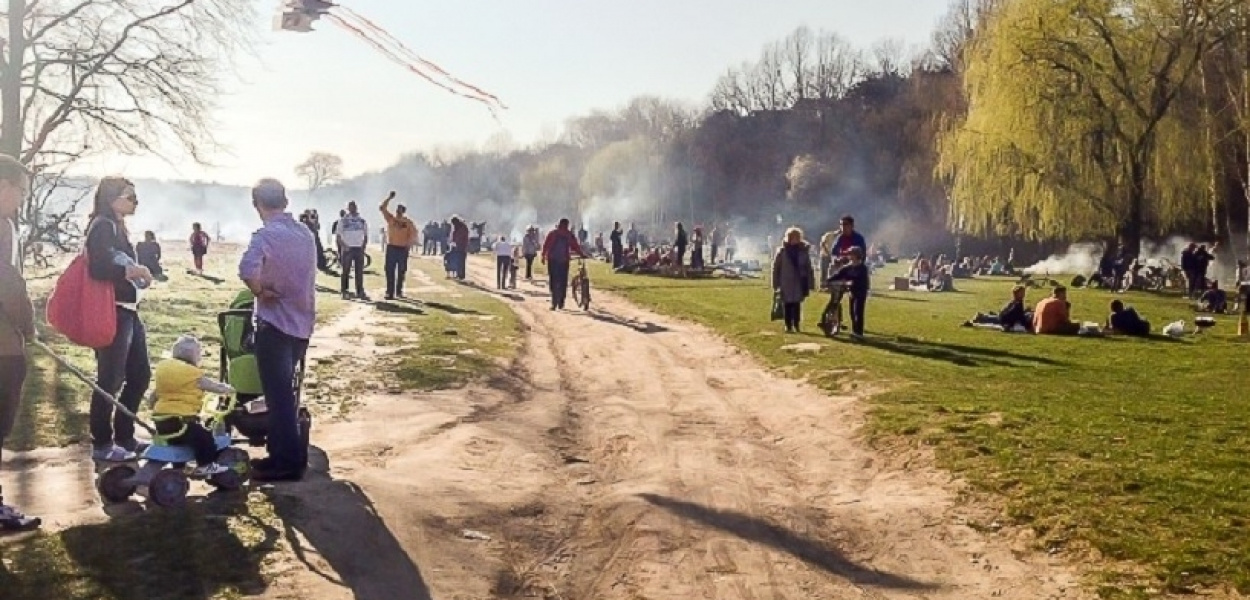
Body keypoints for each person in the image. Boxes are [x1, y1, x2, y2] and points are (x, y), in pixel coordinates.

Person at [239, 179, 317, 482]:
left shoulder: (265, 235)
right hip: (302, 322)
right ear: (285, 201)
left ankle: (286, 463)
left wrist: (260, 291)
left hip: (274, 324)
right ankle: (285, 454)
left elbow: (247, 270)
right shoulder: (305, 233)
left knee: (278, 396)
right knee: (289, 394)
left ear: (258, 205)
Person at [86, 177, 153, 461]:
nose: (135, 203)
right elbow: (98, 267)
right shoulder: (103, 225)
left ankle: (124, 435)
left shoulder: (117, 226)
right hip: (112, 310)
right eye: (130, 197)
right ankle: (102, 443)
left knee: (140, 375)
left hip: (127, 309)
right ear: (112, 198)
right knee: (110, 378)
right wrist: (132, 272)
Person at [0, 156, 39, 530]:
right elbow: (8, 282)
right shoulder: (3, 227)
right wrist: (28, 328)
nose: (21, 199)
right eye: (20, 191)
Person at [149, 335, 236, 476]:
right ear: (195, 357)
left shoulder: (164, 374)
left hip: (161, 422)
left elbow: (154, 396)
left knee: (178, 443)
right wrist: (229, 389)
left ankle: (179, 467)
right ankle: (206, 465)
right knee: (204, 438)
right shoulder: (192, 375)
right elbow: (214, 386)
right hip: (181, 422)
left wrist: (152, 405)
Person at [772, 227, 815, 333]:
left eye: (797, 237)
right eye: (793, 237)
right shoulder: (782, 252)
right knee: (787, 304)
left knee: (797, 304)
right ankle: (788, 325)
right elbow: (776, 268)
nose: (795, 240)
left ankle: (796, 324)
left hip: (799, 282)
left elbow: (809, 267)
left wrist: (810, 282)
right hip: (785, 281)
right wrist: (776, 283)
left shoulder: (803, 251)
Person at [825, 246, 870, 338]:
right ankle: (855, 331)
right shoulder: (848, 267)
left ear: (856, 255)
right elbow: (838, 275)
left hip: (860, 292)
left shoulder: (862, 268)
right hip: (852, 292)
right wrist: (828, 280)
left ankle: (859, 332)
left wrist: (851, 282)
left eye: (851, 254)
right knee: (852, 312)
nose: (849, 256)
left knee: (858, 311)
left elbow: (861, 280)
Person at [541, 218, 586, 311]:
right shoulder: (569, 235)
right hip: (564, 261)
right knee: (563, 282)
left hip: (552, 260)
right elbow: (575, 246)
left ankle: (554, 302)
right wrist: (582, 254)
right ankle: (561, 302)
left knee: (553, 281)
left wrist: (543, 256)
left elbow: (546, 245)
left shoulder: (553, 233)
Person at [380, 192, 416, 300]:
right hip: (391, 247)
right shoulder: (391, 219)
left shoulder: (408, 222)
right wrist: (389, 198)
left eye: (400, 209)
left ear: (403, 211)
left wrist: (408, 245)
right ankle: (389, 292)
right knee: (389, 270)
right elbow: (382, 208)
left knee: (401, 270)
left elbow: (413, 234)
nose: (398, 211)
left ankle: (399, 291)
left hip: (402, 249)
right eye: (397, 209)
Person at [336, 201, 369, 301]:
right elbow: (338, 236)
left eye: (354, 207)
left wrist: (363, 246)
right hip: (348, 248)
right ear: (348, 208)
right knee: (346, 270)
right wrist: (344, 246)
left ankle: (360, 291)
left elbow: (366, 235)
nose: (352, 208)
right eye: (350, 207)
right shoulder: (343, 221)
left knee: (359, 271)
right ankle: (344, 290)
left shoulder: (361, 221)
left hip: (358, 248)